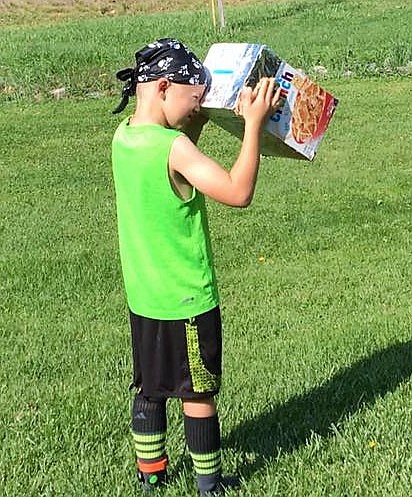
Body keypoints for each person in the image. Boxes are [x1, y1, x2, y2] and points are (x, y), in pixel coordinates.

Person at [111, 38, 281, 496]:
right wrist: (252, 126)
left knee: (150, 387)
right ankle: (209, 483)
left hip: (145, 297)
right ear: (164, 86)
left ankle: (151, 476)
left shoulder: (126, 136)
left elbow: (174, 167)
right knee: (197, 393)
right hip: (187, 299)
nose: (197, 106)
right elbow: (236, 191)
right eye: (194, 97)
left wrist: (195, 122)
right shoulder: (174, 148)